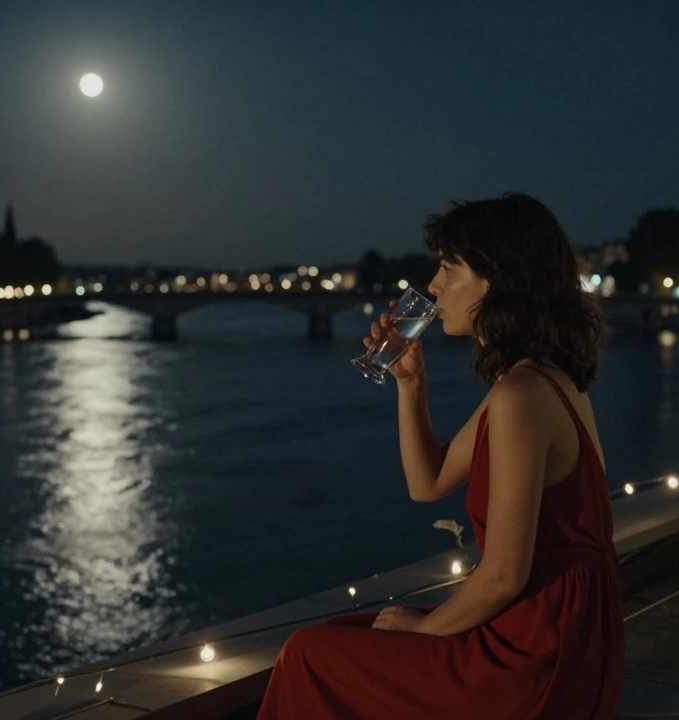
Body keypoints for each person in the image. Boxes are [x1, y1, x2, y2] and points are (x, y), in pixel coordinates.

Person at [256, 192, 624, 719]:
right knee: (352, 633)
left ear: (494, 279)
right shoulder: (536, 379)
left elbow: (505, 576)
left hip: (538, 658)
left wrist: (426, 628)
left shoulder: (521, 394)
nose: (432, 285)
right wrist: (410, 384)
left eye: (449, 268)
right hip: (566, 635)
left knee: (309, 653)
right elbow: (427, 483)